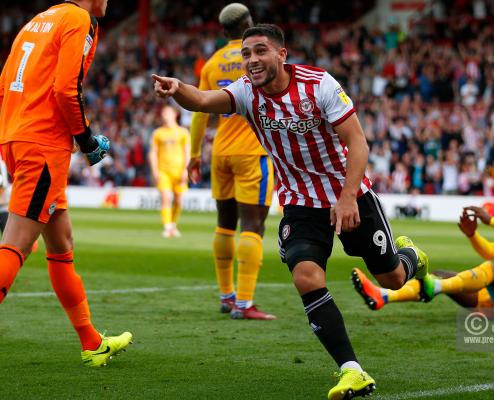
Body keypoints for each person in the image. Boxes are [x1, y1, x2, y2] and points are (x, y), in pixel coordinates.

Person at [152, 23, 429, 400]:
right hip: (300, 203)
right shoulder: (246, 92)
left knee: (394, 279)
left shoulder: (320, 85)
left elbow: (358, 142)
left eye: (261, 51)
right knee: (306, 276)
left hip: (348, 195)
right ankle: (352, 370)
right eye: (247, 53)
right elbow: (202, 101)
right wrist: (176, 89)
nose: (252, 59)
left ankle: (410, 255)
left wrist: (347, 197)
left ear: (282, 55)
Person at [0, 0, 131, 366]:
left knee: (61, 243)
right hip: (43, 144)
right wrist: (86, 140)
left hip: (18, 136)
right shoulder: (79, 18)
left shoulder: (37, 20)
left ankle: (92, 342)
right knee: (15, 245)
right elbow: (65, 88)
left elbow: (4, 84)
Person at [353, 186, 494, 315]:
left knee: (492, 270)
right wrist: (473, 235)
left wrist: (492, 222)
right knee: (440, 274)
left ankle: (436, 287)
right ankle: (385, 295)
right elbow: (490, 250)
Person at [188, 3, 275, 320]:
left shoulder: (211, 64)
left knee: (224, 224)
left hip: (221, 150)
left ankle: (227, 296)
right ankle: (245, 303)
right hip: (253, 151)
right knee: (253, 225)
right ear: (250, 24)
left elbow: (200, 111)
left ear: (223, 31)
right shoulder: (257, 57)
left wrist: (195, 154)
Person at [149, 105, 191, 238]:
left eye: (167, 112)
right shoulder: (158, 133)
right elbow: (153, 153)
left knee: (178, 200)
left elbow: (187, 152)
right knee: (166, 198)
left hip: (179, 171)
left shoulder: (183, 132)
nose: (164, 115)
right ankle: (167, 227)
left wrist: (186, 170)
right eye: (163, 113)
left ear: (174, 114)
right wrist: (155, 170)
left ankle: (173, 224)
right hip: (163, 171)